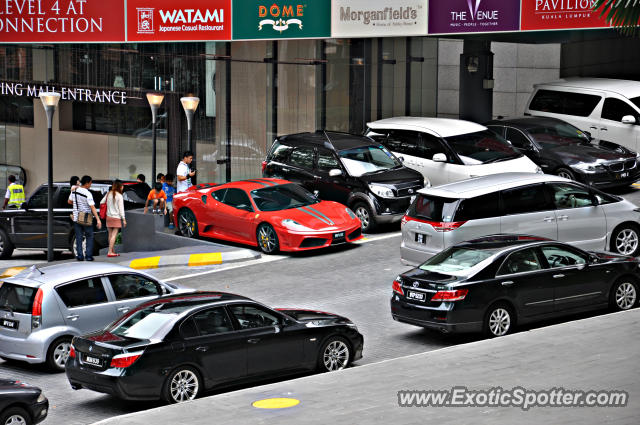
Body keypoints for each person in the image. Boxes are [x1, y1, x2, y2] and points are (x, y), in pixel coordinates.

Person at [70, 175, 102, 261]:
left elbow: (69, 201)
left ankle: (80, 256)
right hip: (86, 218)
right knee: (89, 236)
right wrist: (98, 219)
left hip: (76, 217)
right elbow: (92, 207)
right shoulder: (88, 193)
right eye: (90, 183)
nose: (91, 185)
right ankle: (88, 256)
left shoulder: (74, 190)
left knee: (79, 237)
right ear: (87, 183)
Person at [101, 179, 126, 257]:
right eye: (122, 186)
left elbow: (101, 202)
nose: (123, 187)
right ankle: (110, 252)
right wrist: (124, 219)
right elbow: (121, 209)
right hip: (116, 218)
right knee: (114, 235)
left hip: (109, 217)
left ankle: (112, 250)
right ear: (119, 187)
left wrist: (109, 207)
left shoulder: (108, 194)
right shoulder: (119, 196)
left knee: (110, 234)